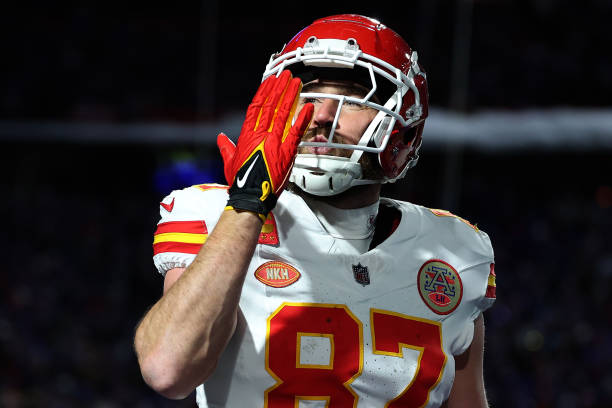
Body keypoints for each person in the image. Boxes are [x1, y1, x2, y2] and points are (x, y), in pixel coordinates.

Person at [134, 14, 497, 408]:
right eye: (308, 94)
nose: (321, 115)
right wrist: (246, 204)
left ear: (402, 131)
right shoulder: (211, 212)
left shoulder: (456, 251)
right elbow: (167, 370)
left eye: (352, 98)